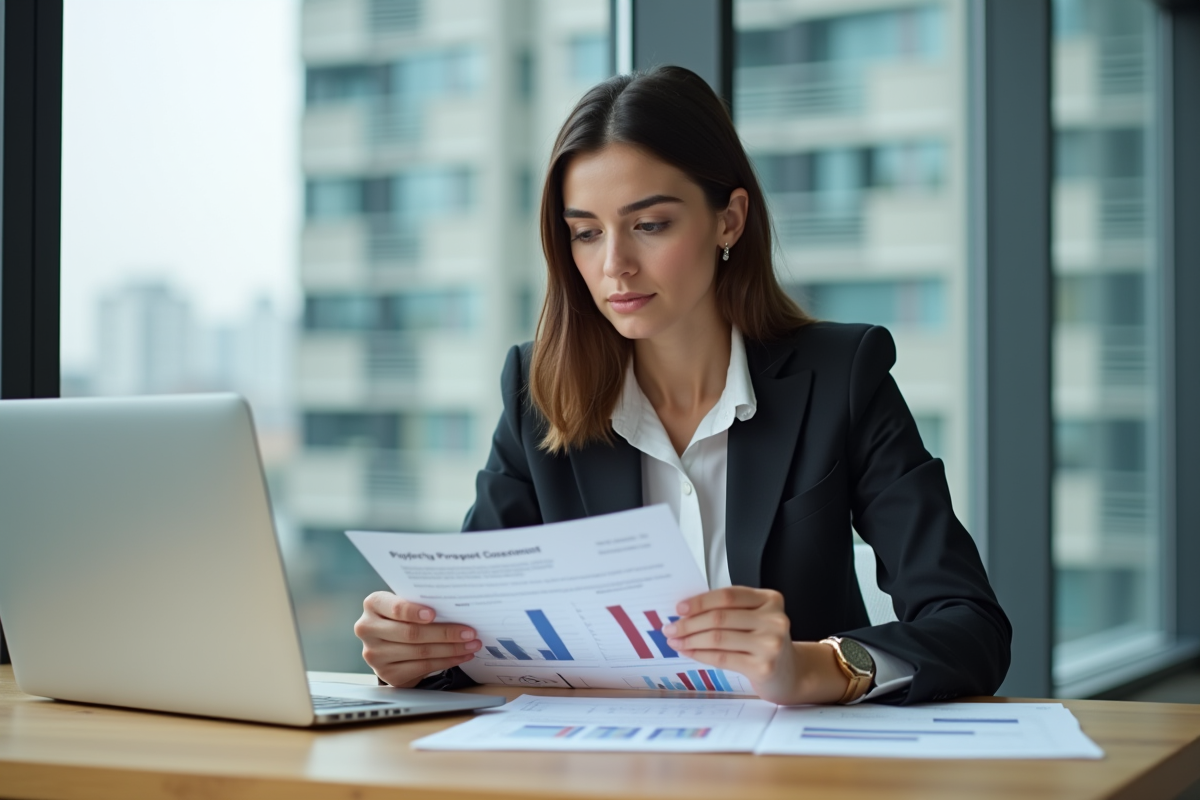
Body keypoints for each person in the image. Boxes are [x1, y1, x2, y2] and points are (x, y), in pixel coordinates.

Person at [354, 66, 1011, 706]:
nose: (614, 265)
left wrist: (822, 667)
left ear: (729, 220)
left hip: (796, 774)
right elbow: (478, 637)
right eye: (585, 233)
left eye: (650, 224)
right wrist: (414, 654)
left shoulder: (842, 375)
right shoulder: (538, 393)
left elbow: (970, 626)